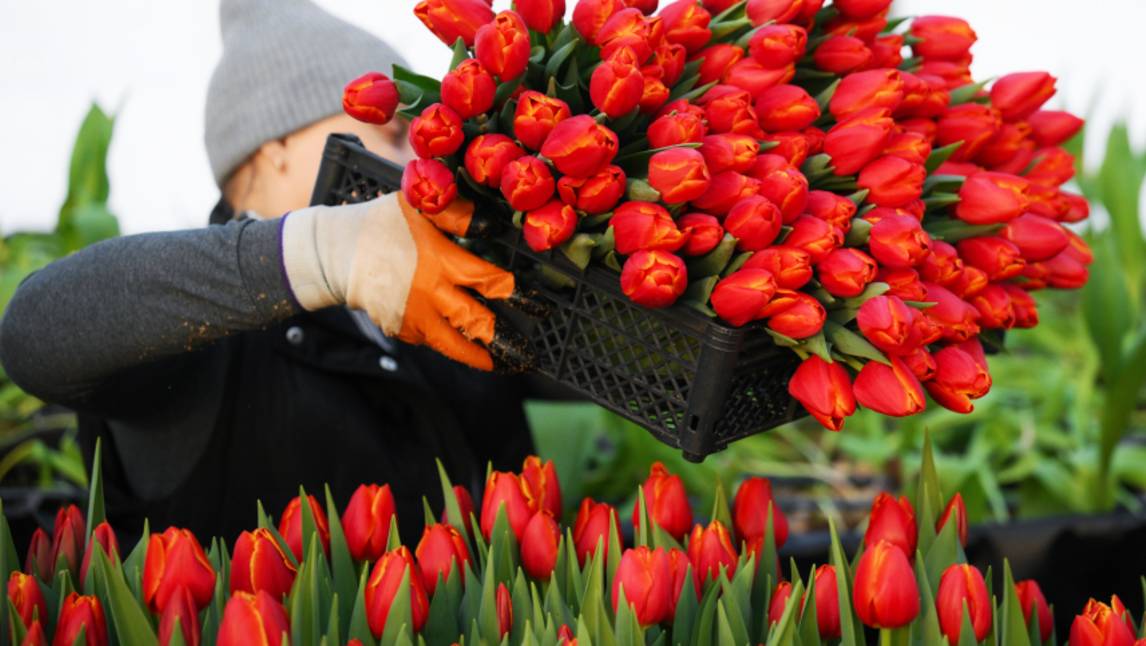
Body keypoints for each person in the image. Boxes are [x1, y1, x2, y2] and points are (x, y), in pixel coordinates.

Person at [0, 0, 536, 545]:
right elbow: (33, 333)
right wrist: (324, 250)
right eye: (396, 135)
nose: (414, 164)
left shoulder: (438, 303)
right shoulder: (197, 333)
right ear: (277, 143)